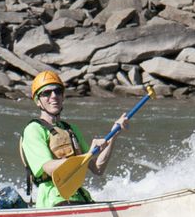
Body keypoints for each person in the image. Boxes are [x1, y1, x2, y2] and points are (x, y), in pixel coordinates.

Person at [19, 70, 128, 208]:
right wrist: (87, 155)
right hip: (53, 200)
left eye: (58, 91)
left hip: (79, 197)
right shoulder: (34, 130)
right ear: (38, 101)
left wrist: (113, 134)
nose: (54, 96)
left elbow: (97, 169)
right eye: (46, 93)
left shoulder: (71, 129)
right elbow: (49, 168)